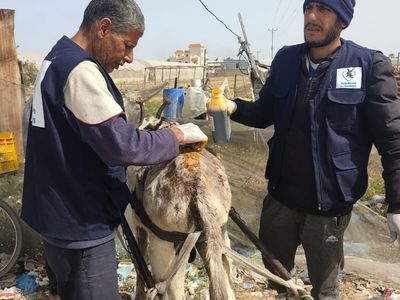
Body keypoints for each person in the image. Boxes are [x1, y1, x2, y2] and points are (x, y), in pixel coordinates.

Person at [21, 0, 207, 299]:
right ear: (103, 28)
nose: (130, 58)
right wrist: (175, 135)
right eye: (127, 45)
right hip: (82, 226)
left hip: (56, 216)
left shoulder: (55, 58)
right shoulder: (80, 71)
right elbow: (124, 146)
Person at [226, 0, 400, 299]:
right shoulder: (286, 59)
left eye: (324, 9)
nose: (312, 16)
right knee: (279, 278)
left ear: (343, 20)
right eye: (309, 7)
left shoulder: (368, 65)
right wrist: (230, 106)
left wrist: (397, 204)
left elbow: (393, 140)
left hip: (328, 207)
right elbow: (264, 112)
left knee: (325, 289)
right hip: (280, 198)